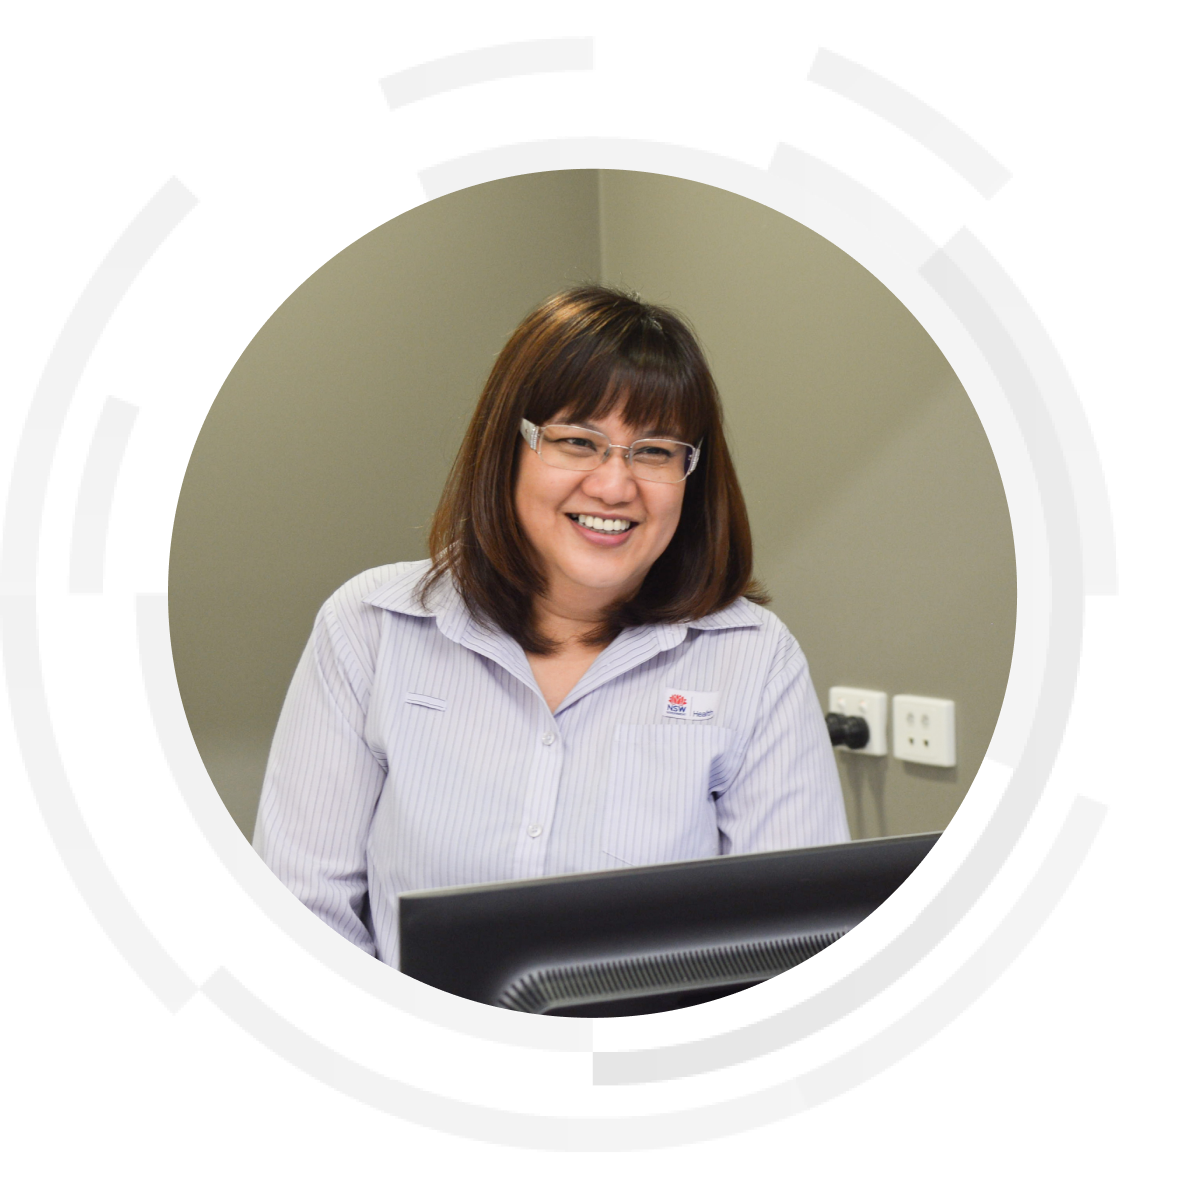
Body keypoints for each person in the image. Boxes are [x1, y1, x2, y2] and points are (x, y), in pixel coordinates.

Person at [253, 286, 849, 965]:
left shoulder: (754, 660)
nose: (614, 485)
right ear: (507, 448)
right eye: (577, 441)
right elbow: (301, 916)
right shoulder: (369, 629)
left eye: (654, 451)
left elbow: (797, 947)